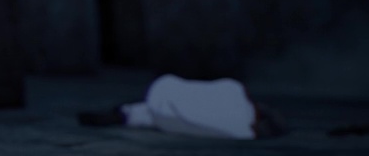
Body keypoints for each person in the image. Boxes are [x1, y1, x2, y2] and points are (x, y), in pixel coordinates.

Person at [77, 73, 287, 139]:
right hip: (168, 112)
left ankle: (122, 114)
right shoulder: (242, 123)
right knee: (156, 112)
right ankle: (123, 115)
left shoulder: (236, 95)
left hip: (169, 105)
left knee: (155, 111)